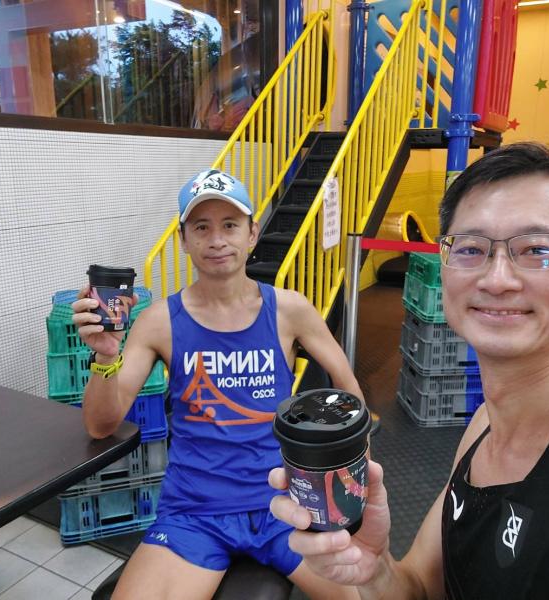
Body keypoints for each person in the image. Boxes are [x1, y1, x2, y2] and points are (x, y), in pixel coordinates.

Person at [269, 142, 549, 599]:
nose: (496, 279)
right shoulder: (485, 425)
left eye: (537, 249)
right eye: (471, 248)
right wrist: (374, 569)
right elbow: (419, 590)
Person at [72, 169, 362, 600]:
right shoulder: (159, 321)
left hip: (285, 503)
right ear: (184, 240)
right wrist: (105, 357)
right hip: (194, 512)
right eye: (201, 227)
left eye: (229, 225)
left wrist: (350, 480)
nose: (217, 240)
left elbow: (348, 390)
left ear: (252, 233)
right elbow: (100, 425)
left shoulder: (290, 310)